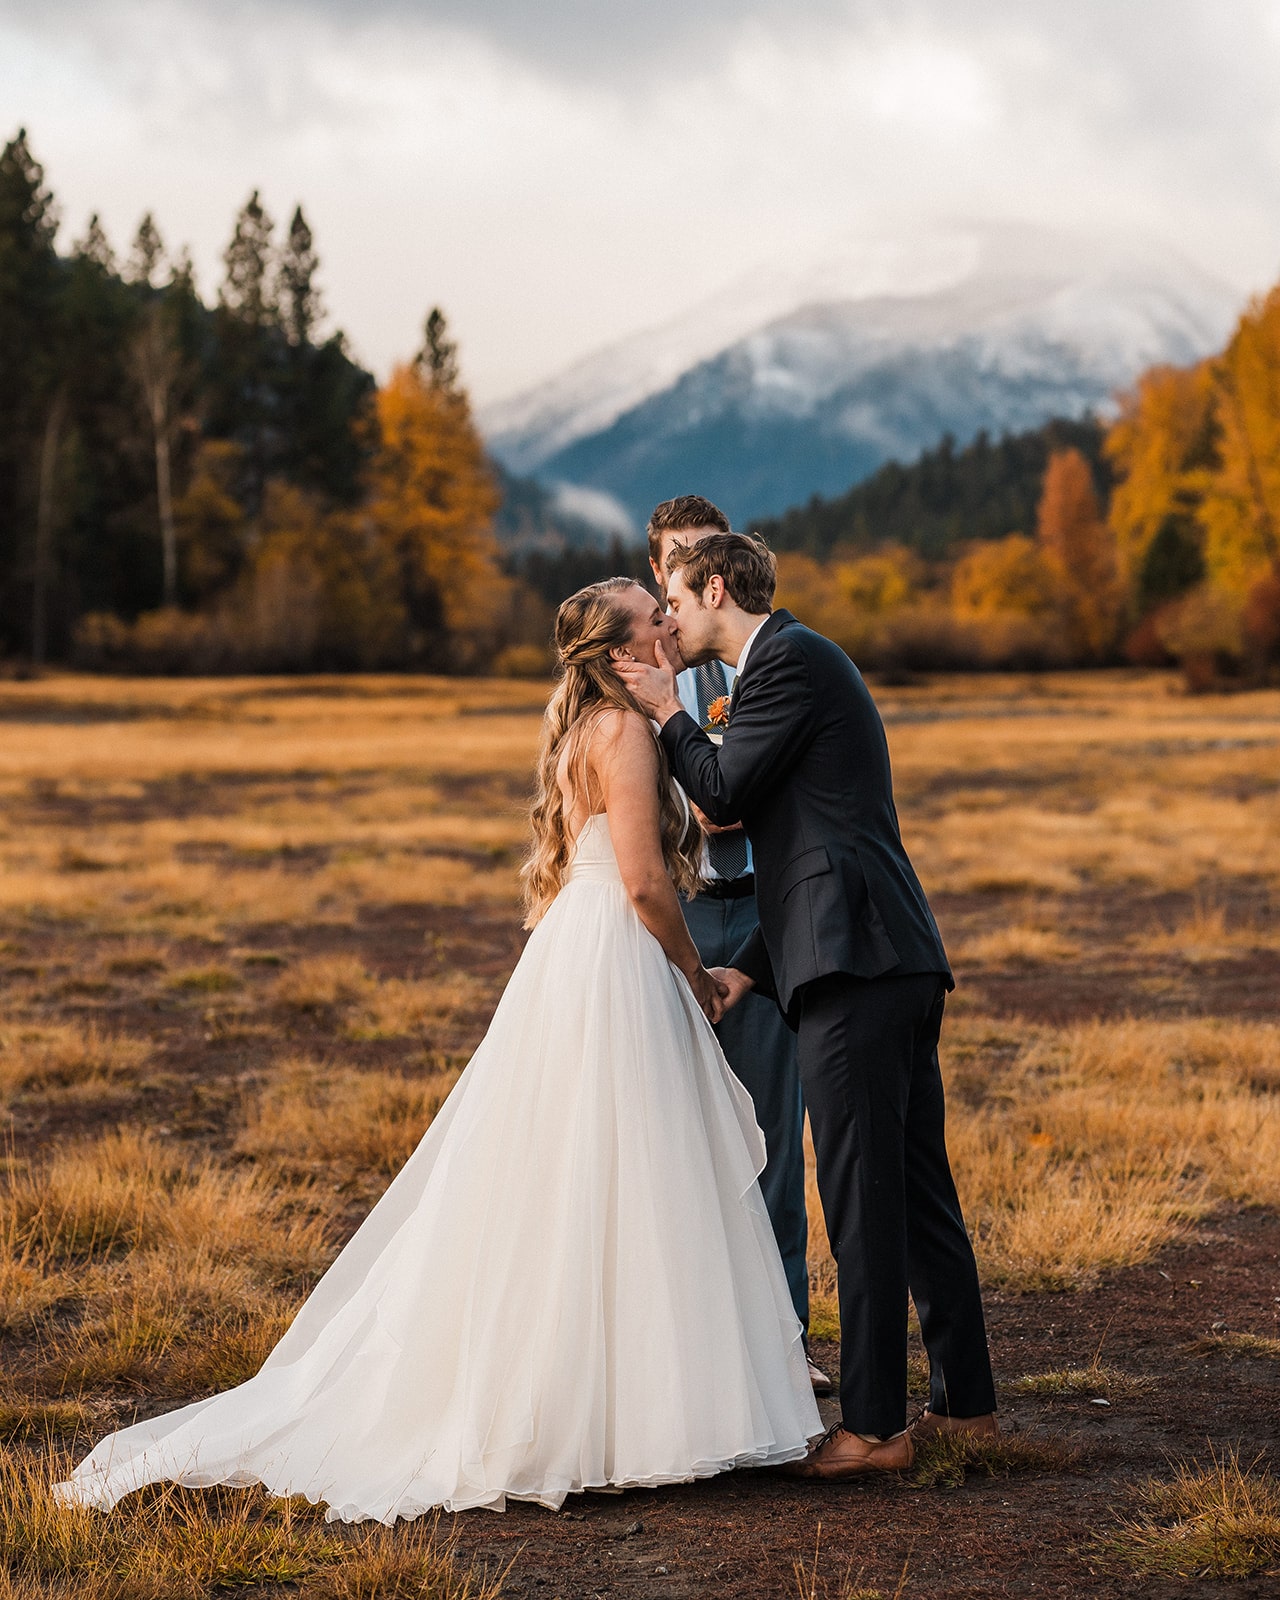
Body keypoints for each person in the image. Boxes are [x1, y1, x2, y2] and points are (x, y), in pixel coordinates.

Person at [55, 578, 820, 1520]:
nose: (670, 619)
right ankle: (615, 1407)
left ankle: (619, 1397)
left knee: (593, 1167)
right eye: (650, 615)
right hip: (615, 955)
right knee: (623, 1163)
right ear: (621, 653)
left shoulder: (607, 727)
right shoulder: (622, 733)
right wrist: (697, 977)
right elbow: (645, 884)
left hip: (575, 954)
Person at [617, 533, 997, 1481]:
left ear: (714, 586)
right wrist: (747, 966)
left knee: (863, 1198)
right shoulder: (794, 663)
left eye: (674, 600)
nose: (669, 623)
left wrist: (666, 709)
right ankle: (966, 1405)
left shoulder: (785, 659)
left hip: (857, 970)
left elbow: (720, 794)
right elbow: (806, 843)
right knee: (913, 1189)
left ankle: (872, 1429)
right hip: (880, 956)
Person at [645, 495, 827, 1396]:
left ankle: (785, 1347)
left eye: (701, 562)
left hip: (758, 913)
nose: (685, 585)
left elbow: (731, 799)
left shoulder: (756, 673)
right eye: (675, 562)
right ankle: (688, 1352)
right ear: (659, 577)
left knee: (772, 1141)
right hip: (675, 912)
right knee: (667, 1139)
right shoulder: (635, 682)